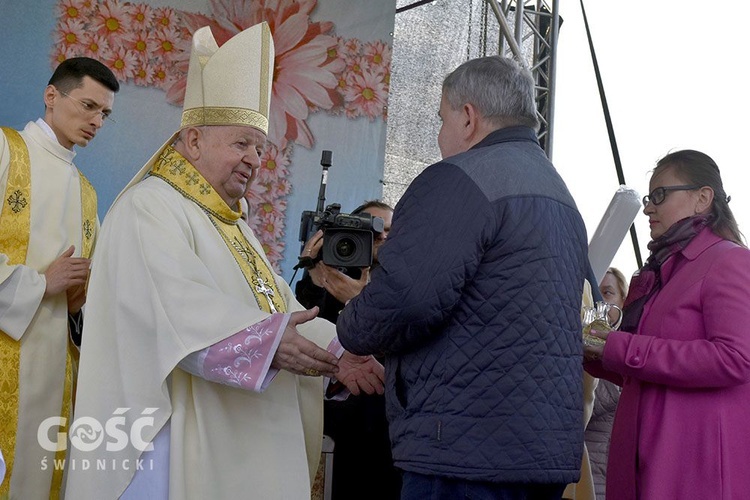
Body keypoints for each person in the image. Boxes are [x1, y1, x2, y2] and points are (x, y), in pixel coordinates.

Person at [65, 23, 383, 500]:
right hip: (169, 442)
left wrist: (341, 350)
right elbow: (174, 309)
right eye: (241, 143)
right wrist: (271, 342)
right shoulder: (149, 207)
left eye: (260, 147)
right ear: (193, 142)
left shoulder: (232, 224)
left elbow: (279, 306)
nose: (255, 159)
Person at [337, 55, 589, 499]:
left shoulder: (459, 178)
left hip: (464, 449)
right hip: (542, 450)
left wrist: (351, 332)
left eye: (441, 119)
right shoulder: (561, 196)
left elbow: (407, 297)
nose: (439, 136)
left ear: (468, 117)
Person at [584, 150, 750, 499]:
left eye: (660, 195)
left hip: (690, 472)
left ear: (702, 198)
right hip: (643, 461)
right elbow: (643, 367)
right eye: (648, 197)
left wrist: (617, 346)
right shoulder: (661, 272)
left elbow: (735, 358)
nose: (647, 208)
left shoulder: (729, 261)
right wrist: (591, 350)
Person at [0, 56, 119, 499]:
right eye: (88, 106)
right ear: (52, 96)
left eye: (104, 114)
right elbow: (47, 281)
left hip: (56, 374)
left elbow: (87, 298)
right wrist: (37, 285)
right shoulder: (6, 151)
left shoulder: (86, 193)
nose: (96, 121)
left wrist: (76, 304)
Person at [296, 200, 402, 500]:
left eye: (388, 232)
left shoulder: (404, 287)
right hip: (335, 427)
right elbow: (304, 330)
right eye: (371, 231)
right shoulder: (322, 279)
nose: (380, 239)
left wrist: (362, 301)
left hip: (383, 430)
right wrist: (312, 271)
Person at [584, 267, 627, 499]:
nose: (599, 301)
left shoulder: (623, 352)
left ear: (623, 302)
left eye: (607, 293)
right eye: (594, 294)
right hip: (589, 472)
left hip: (599, 476)